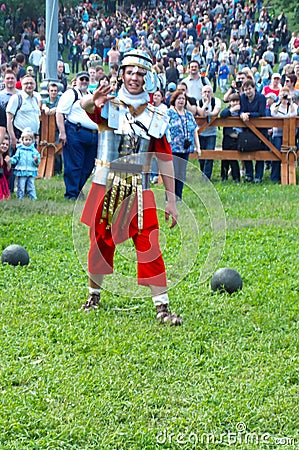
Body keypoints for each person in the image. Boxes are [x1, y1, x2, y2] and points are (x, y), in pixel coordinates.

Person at [79, 49, 182, 326]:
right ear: (121, 74)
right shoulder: (109, 105)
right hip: (106, 183)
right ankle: (93, 295)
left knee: (149, 241)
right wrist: (93, 99)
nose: (135, 77)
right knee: (99, 240)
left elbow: (165, 160)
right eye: (130, 72)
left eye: (140, 73)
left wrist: (171, 200)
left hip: (139, 187)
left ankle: (162, 307)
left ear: (147, 78)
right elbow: (84, 108)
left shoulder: (157, 115)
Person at [56, 71, 98, 200]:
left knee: (88, 166)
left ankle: (78, 190)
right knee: (75, 165)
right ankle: (71, 194)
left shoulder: (91, 95)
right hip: (75, 131)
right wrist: (62, 133)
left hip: (92, 135)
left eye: (87, 79)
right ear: (76, 80)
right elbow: (59, 113)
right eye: (82, 79)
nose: (84, 81)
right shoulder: (71, 94)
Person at [168, 89, 200, 200]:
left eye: (183, 98)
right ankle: (170, 196)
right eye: (179, 98)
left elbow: (195, 130)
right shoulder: (169, 113)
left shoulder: (189, 115)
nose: (181, 101)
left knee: (181, 173)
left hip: (185, 148)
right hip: (173, 148)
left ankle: (179, 196)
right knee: (173, 173)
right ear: (174, 100)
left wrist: (198, 147)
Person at [239, 79, 267, 183]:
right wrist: (242, 114)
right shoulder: (242, 98)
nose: (248, 92)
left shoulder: (261, 97)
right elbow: (241, 109)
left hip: (260, 129)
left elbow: (261, 112)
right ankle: (249, 174)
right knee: (247, 149)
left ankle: (258, 176)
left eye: (249, 89)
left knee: (261, 152)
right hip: (247, 128)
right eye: (245, 90)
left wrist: (249, 114)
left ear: (254, 88)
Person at [6, 75, 41, 150]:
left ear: (35, 85)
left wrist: (37, 136)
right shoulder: (16, 98)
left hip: (32, 138)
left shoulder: (36, 99)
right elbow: (8, 119)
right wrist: (13, 138)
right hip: (20, 137)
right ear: (22, 85)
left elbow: (36, 118)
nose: (29, 85)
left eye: (31, 83)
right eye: (26, 83)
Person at [270, 87, 297, 182]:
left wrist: (290, 102)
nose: (285, 96)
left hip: (290, 134)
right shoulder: (274, 105)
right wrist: (280, 102)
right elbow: (273, 113)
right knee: (276, 155)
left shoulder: (293, 106)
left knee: (289, 155)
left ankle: (289, 177)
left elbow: (294, 114)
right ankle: (274, 177)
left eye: (286, 94)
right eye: (283, 94)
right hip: (277, 133)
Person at [196, 85, 221, 180]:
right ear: (201, 94)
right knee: (201, 155)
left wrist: (208, 114)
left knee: (209, 155)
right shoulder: (198, 102)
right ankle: (203, 173)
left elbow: (215, 112)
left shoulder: (216, 101)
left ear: (212, 93)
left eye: (209, 92)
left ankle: (206, 177)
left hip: (211, 133)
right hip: (200, 132)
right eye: (205, 92)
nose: (207, 94)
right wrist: (206, 103)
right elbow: (201, 113)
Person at [9, 128, 40, 199]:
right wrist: (10, 160)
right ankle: (20, 198)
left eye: (30, 140)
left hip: (31, 170)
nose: (28, 142)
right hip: (22, 170)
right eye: (26, 140)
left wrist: (35, 161)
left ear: (32, 141)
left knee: (31, 185)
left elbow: (37, 160)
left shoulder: (34, 151)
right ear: (22, 140)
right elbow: (16, 158)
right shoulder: (20, 150)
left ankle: (33, 198)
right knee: (21, 185)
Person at [220, 93, 241, 182]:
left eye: (236, 101)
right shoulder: (228, 110)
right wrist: (232, 109)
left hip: (238, 137)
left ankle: (236, 177)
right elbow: (222, 115)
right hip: (228, 137)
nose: (235, 103)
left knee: (234, 158)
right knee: (225, 157)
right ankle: (224, 176)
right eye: (232, 101)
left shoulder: (242, 111)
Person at [0, 134, 12, 200]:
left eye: (7, 145)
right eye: (3, 143)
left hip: (3, 182)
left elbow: (7, 175)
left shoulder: (5, 157)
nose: (5, 146)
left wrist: (8, 165)